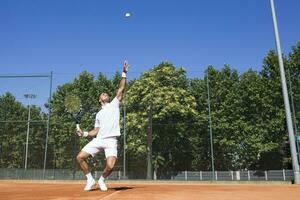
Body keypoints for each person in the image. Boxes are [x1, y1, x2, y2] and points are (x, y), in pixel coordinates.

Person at [76, 60, 129, 191]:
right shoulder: (98, 114)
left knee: (110, 166)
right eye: (102, 94)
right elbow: (96, 131)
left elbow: (121, 88)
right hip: (99, 140)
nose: (105, 94)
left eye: (106, 94)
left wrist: (124, 72)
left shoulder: (114, 104)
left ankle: (102, 180)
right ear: (100, 99)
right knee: (79, 157)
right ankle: (90, 179)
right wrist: (84, 134)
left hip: (111, 140)